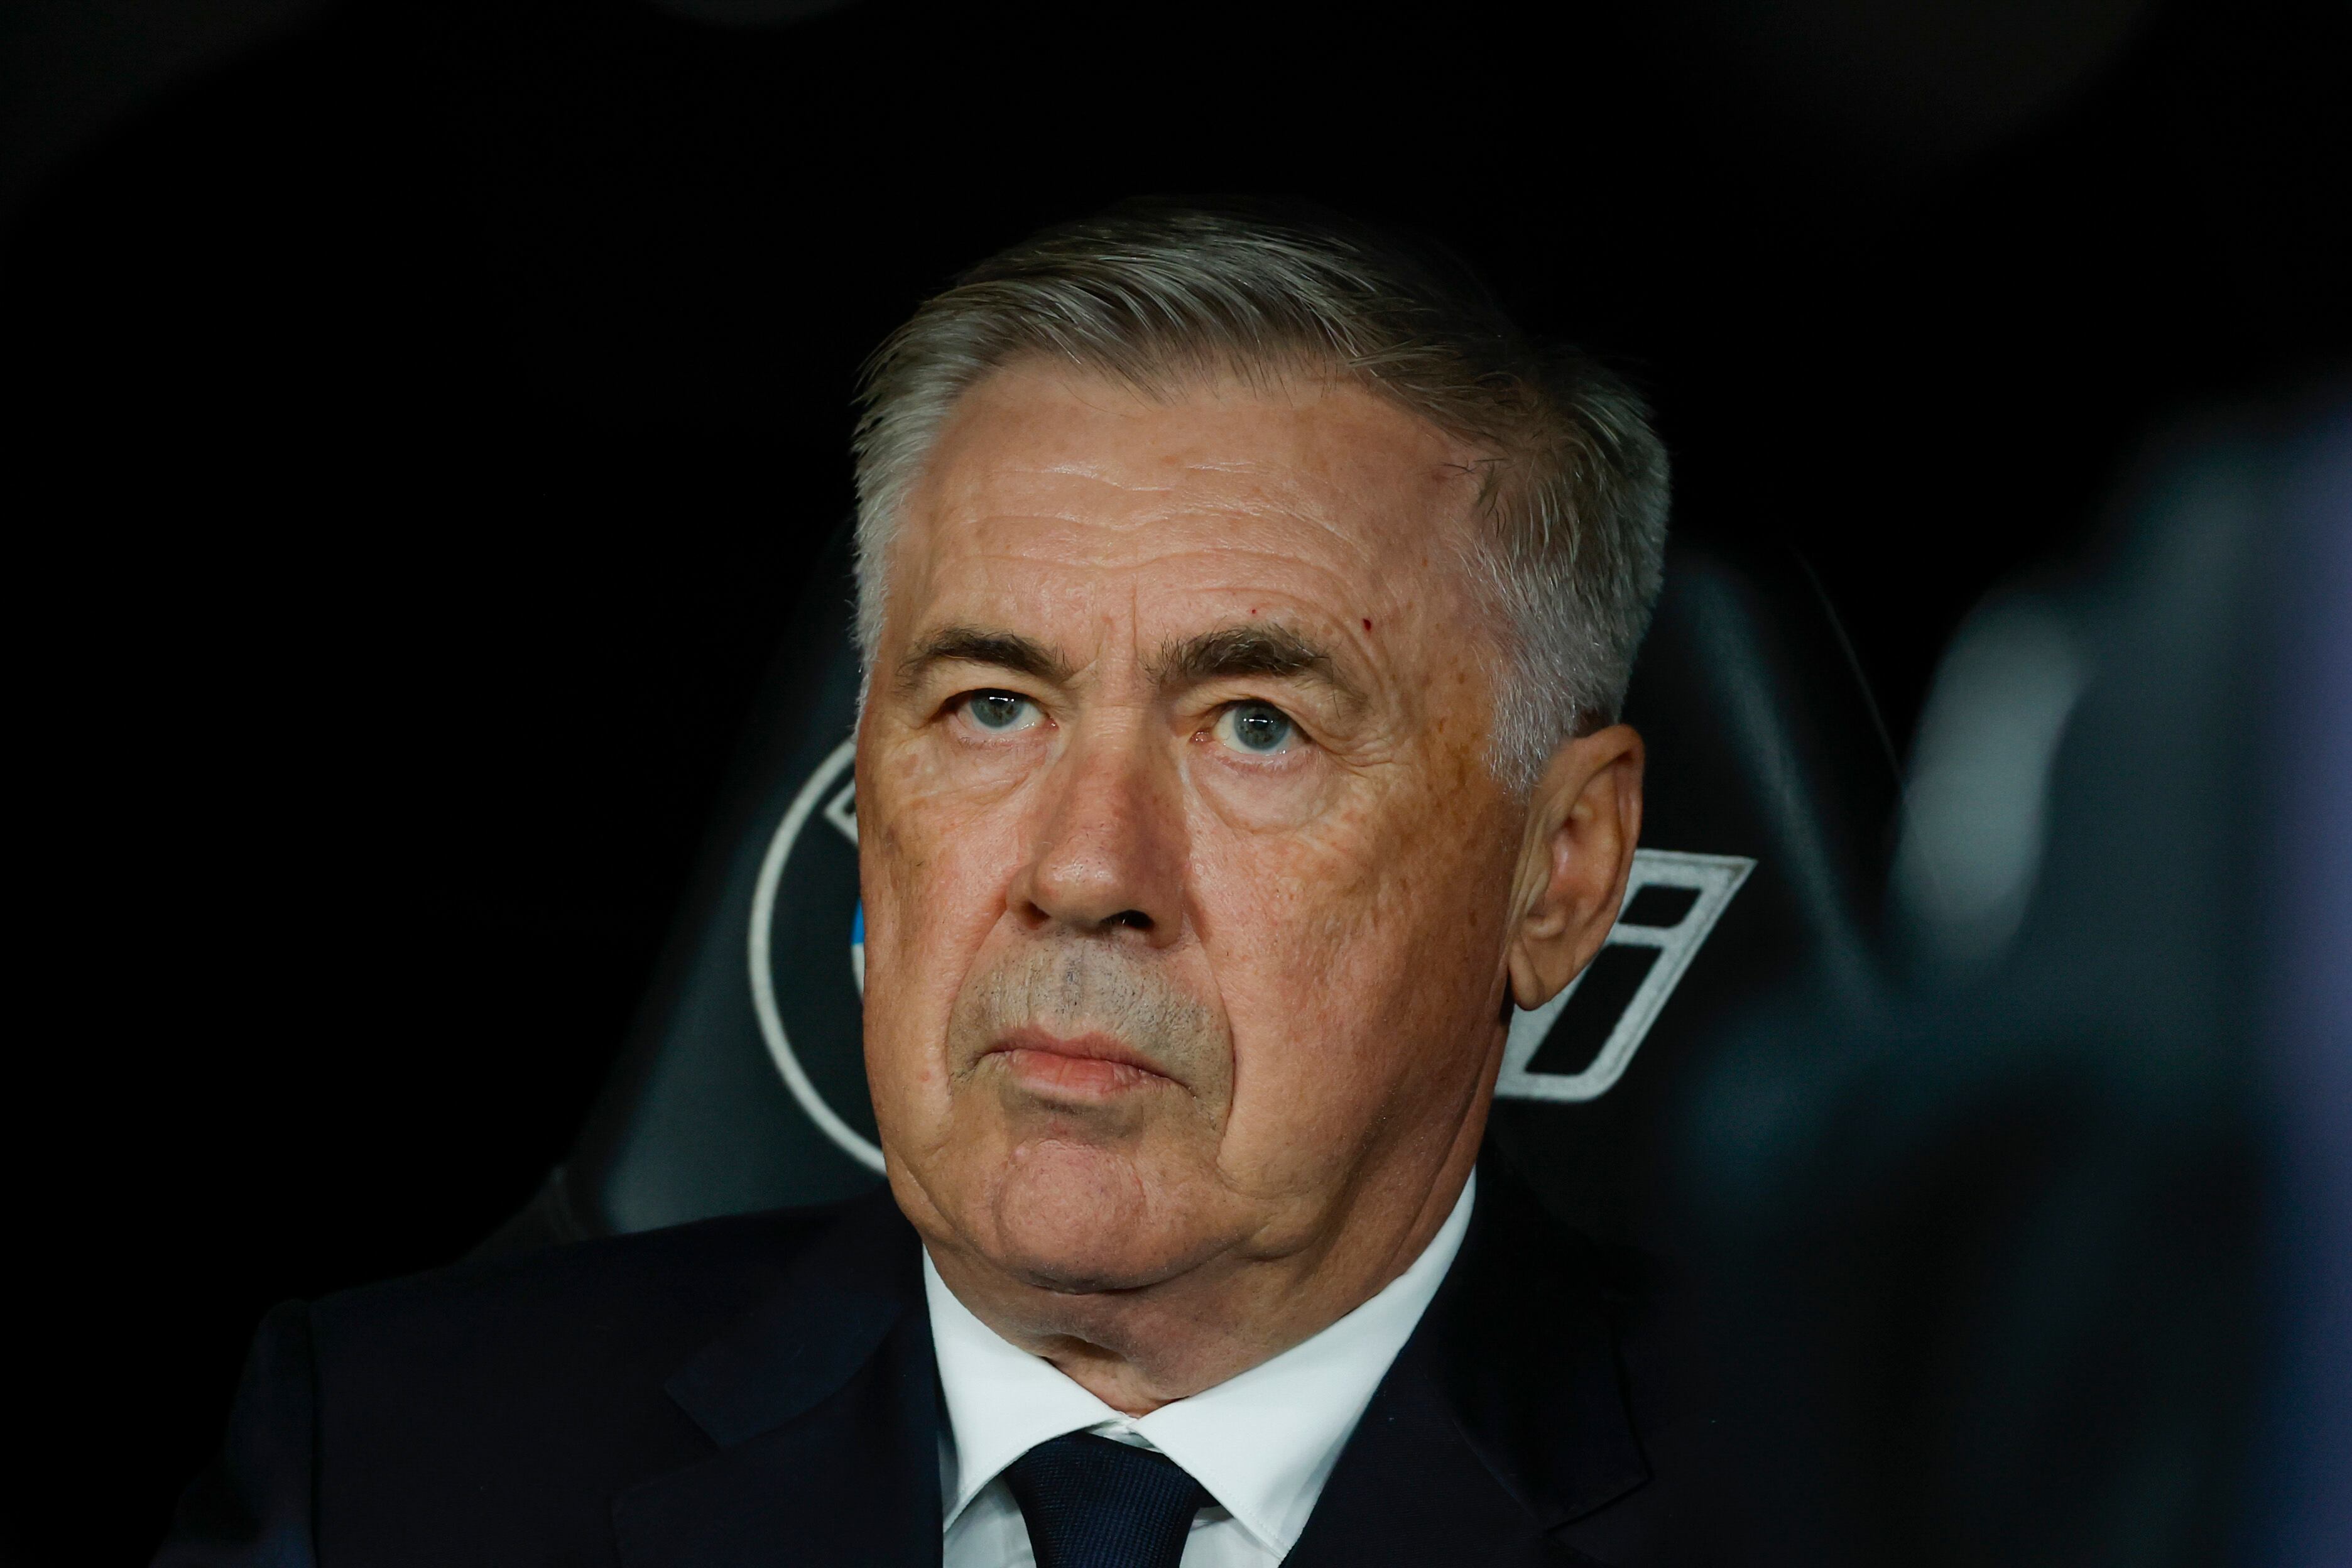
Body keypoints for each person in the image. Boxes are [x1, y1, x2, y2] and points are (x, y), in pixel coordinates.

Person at [158, 200, 1704, 1567]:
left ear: (1561, 872)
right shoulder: (388, 1464)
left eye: (1257, 728)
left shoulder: (1864, 1514)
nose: (1086, 869)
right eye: (992, 705)